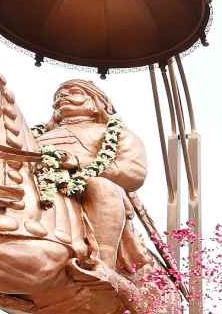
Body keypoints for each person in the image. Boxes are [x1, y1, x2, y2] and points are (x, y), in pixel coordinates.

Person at [35, 80, 150, 279]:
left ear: (96, 102)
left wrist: (79, 162)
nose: (62, 97)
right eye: (59, 95)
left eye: (74, 92)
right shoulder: (36, 135)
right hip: (40, 184)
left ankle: (102, 264)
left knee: (102, 186)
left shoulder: (113, 133)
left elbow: (133, 171)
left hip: (85, 186)